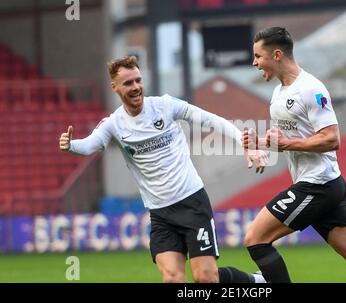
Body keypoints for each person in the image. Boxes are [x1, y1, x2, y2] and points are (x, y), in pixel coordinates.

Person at [59, 55, 266, 283]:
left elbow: (211, 120)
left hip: (191, 203)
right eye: (128, 83)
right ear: (115, 87)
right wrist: (71, 146)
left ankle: (256, 281)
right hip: (160, 214)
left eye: (138, 80)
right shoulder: (114, 124)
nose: (136, 87)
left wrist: (243, 142)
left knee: (206, 279)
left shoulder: (164, 106)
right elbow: (91, 144)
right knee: (172, 280)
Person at [241, 27, 346, 283]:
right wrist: (259, 143)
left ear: (277, 55)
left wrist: (287, 144)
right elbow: (289, 140)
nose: (254, 62)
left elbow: (331, 139)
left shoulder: (310, 88)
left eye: (258, 56)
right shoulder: (279, 93)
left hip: (317, 186)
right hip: (324, 186)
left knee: (255, 238)